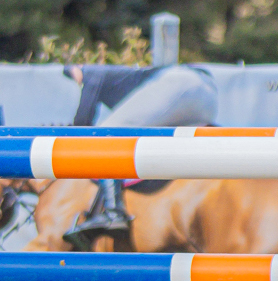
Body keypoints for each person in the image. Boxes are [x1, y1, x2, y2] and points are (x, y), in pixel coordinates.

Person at [62, 63, 217, 245]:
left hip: (181, 83)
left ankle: (114, 212)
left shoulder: (90, 73)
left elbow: (82, 123)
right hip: (208, 95)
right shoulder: (125, 85)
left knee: (106, 134)